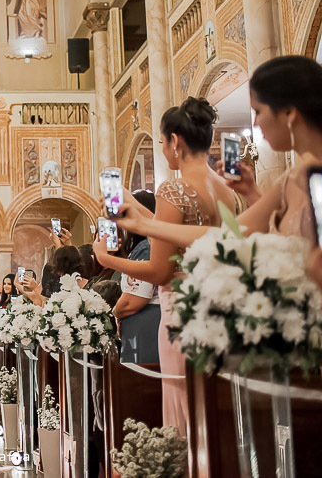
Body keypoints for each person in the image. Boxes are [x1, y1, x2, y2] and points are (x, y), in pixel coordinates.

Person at [93, 96, 238, 436]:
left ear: (175, 141)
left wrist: (107, 259)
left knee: (182, 405)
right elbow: (177, 234)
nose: (162, 149)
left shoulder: (173, 189)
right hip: (218, 306)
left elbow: (160, 271)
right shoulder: (226, 191)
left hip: (181, 312)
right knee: (213, 406)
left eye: (161, 142)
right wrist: (136, 207)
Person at [117, 56, 322, 250]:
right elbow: (228, 235)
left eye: (258, 111)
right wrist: (251, 192)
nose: (256, 122)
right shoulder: (292, 178)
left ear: (289, 112)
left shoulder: (306, 175)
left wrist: (145, 224)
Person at [113, 190, 160, 364]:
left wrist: (116, 312)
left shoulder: (147, 248)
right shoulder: (141, 247)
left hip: (148, 327)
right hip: (141, 327)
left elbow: (135, 299)